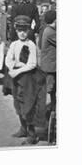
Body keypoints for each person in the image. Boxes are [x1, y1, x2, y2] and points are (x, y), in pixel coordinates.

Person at [5, 15, 47, 145]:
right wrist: (12, 67)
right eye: (19, 30)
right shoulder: (14, 44)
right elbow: (8, 59)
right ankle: (23, 128)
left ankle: (32, 133)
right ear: (16, 30)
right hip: (16, 78)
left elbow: (32, 64)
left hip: (29, 78)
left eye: (25, 30)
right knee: (18, 102)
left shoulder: (31, 45)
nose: (22, 33)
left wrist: (18, 69)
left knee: (28, 105)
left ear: (29, 30)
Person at [39, 10, 56, 142]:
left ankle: (52, 112)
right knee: (50, 90)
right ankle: (50, 118)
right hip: (50, 67)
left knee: (52, 91)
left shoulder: (46, 29)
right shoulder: (50, 32)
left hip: (50, 66)